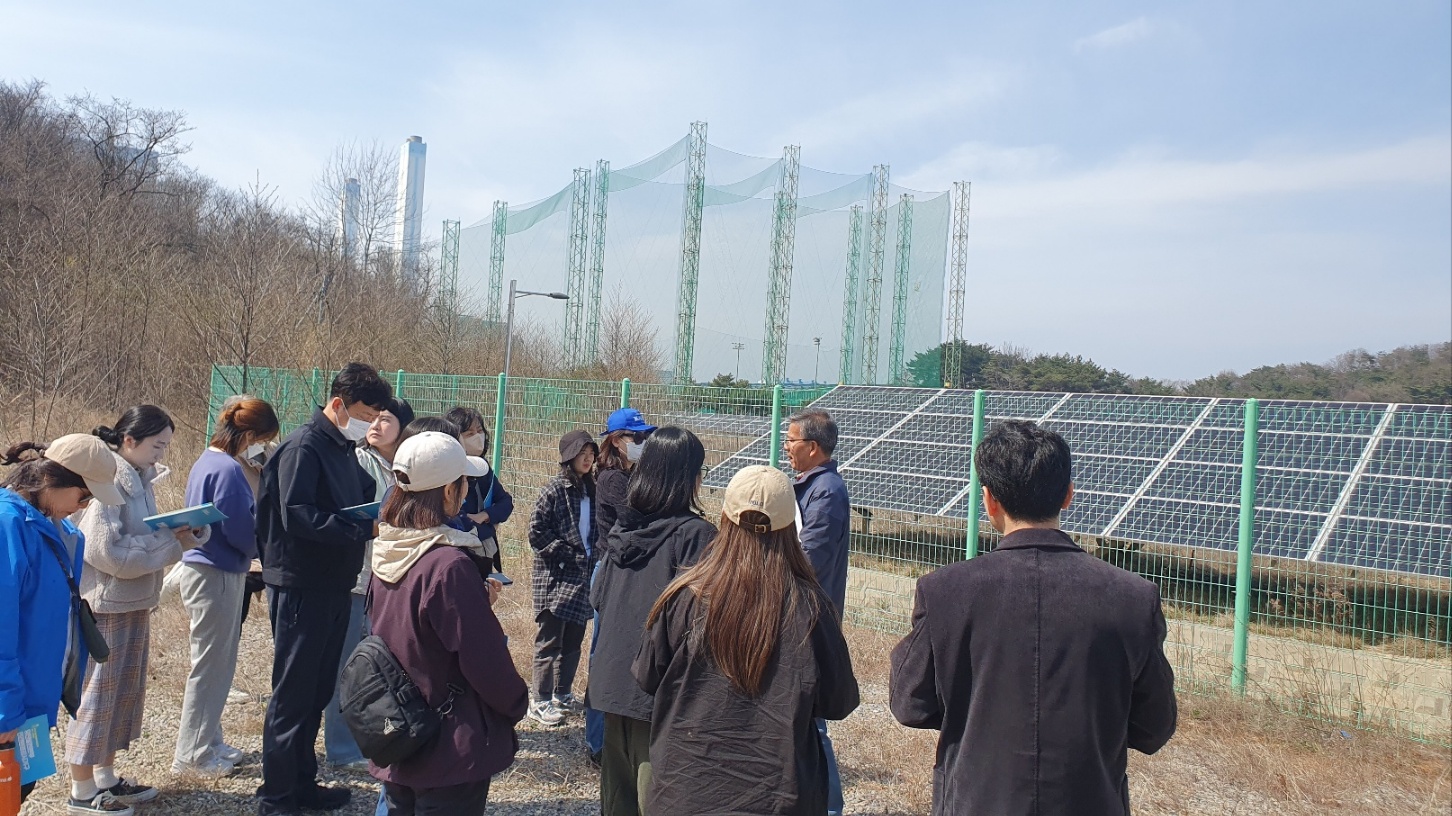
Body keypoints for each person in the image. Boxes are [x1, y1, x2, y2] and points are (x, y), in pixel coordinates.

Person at [889, 420, 1178, 815]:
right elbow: (1153, 727)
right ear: (1068, 495)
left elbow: (910, 704)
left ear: (989, 500)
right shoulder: (1133, 597)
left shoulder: (944, 591)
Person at [634, 465, 860, 816]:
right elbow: (839, 702)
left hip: (684, 794)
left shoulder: (684, 596)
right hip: (779, 799)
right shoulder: (812, 609)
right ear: (791, 528)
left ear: (724, 518)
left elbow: (647, 677)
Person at [255, 362, 392, 815]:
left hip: (334, 584)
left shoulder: (342, 448)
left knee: (316, 692)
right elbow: (298, 515)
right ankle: (277, 796)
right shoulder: (303, 447)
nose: (369, 426)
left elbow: (358, 496)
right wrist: (361, 529)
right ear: (338, 404)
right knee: (293, 694)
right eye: (365, 415)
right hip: (301, 584)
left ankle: (302, 784)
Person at [367, 431, 529, 815]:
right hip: (448, 745)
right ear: (447, 491)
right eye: (464, 481)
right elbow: (483, 659)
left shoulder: (389, 548)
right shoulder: (447, 565)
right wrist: (516, 703)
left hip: (400, 728)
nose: (468, 488)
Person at [68, 406, 203, 814]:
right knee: (97, 697)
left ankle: (106, 778)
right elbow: (104, 551)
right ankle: (81, 792)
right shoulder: (109, 478)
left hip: (135, 600)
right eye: (157, 445)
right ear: (129, 440)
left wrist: (184, 531)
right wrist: (170, 544)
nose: (161, 454)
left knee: (123, 694)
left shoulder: (140, 478)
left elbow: (141, 536)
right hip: (106, 605)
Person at [589, 426, 716, 816]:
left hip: (612, 684)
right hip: (659, 691)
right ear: (688, 477)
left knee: (618, 800)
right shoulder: (696, 535)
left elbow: (598, 598)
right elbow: (699, 623)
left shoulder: (623, 528)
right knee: (658, 800)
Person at [1, 435, 124, 810]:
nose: (83, 506)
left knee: (16, 793)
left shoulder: (60, 530)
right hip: (10, 705)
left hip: (31, 702)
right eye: (83, 496)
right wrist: (5, 711)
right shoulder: (8, 526)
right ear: (51, 479)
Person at [173, 396, 280, 778]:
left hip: (207, 570)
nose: (262, 449)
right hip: (215, 572)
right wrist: (265, 545)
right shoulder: (229, 470)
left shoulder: (208, 460)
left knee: (214, 665)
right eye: (262, 441)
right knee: (211, 667)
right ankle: (193, 754)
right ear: (249, 436)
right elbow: (240, 530)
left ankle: (209, 741)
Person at [323, 396, 414, 770]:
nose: (375, 425)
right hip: (356, 577)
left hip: (391, 579)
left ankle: (377, 739)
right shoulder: (358, 460)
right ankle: (342, 748)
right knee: (348, 665)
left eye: (385, 419)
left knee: (382, 665)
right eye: (372, 418)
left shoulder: (407, 467)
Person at [783, 408, 851, 815]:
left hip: (808, 619)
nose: (786, 447)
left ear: (812, 447)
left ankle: (828, 806)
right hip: (798, 613)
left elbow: (809, 559)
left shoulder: (826, 492)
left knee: (812, 719)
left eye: (791, 441)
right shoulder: (811, 486)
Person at [585, 407, 656, 766]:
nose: (642, 442)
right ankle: (597, 742)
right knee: (605, 653)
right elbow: (634, 519)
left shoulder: (633, 474)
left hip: (627, 567)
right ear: (616, 440)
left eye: (645, 436)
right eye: (636, 437)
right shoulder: (612, 478)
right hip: (610, 569)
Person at [526, 429, 598, 727]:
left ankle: (563, 693)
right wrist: (565, 553)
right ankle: (540, 700)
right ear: (569, 456)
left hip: (584, 575)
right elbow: (536, 531)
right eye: (582, 454)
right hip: (556, 576)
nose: (588, 459)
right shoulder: (554, 490)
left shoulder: (592, 490)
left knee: (574, 640)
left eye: (591, 454)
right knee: (550, 640)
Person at [443, 406, 514, 576]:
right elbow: (460, 524)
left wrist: (485, 516)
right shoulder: (447, 473)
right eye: (469, 433)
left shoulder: (483, 469)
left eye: (480, 431)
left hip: (483, 555)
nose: (477, 437)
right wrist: (490, 527)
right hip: (456, 555)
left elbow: (506, 502)